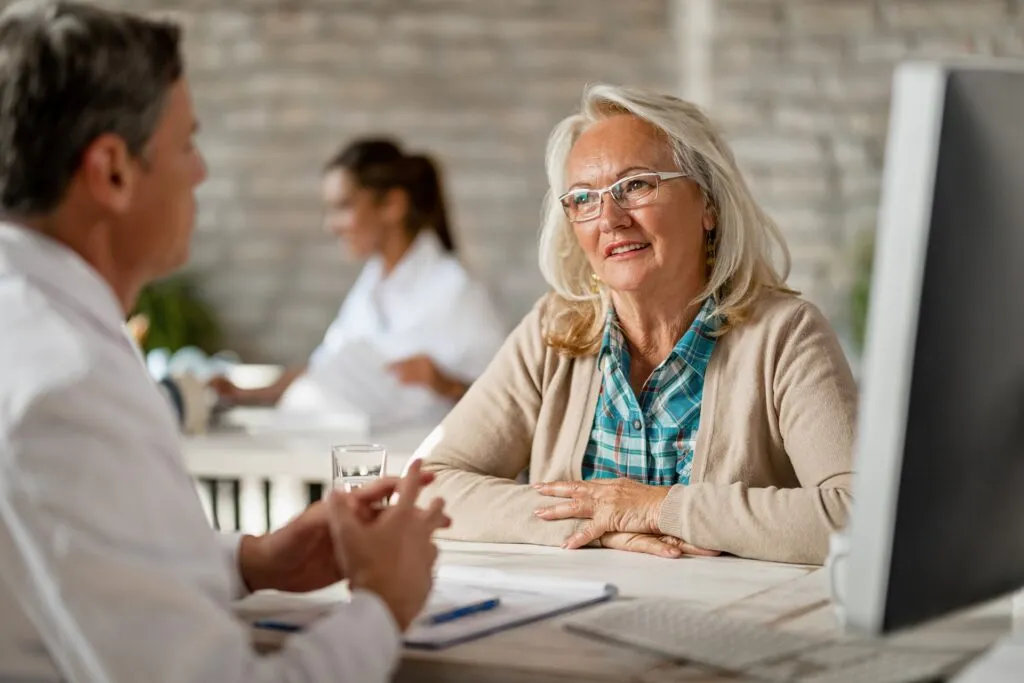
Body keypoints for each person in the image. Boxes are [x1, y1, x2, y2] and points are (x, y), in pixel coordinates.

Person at [0, 2, 448, 681]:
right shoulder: (64, 383)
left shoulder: (37, 331)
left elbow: (72, 560)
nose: (201, 171)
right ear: (113, 170)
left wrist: (250, 560)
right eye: (186, 144)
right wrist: (384, 605)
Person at [413, 84, 857, 566]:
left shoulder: (787, 335)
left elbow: (859, 516)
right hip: (581, 609)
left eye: (636, 186)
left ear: (709, 204)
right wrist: (594, 522)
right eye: (584, 198)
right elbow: (427, 486)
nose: (609, 219)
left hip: (734, 613)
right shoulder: (553, 330)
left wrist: (657, 509)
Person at [211, 139, 508, 428]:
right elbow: (325, 366)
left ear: (393, 204)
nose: (331, 225)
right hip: (365, 449)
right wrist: (246, 393)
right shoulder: (371, 284)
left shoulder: (457, 289)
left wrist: (444, 384)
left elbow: (508, 402)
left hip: (427, 455)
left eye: (343, 207)